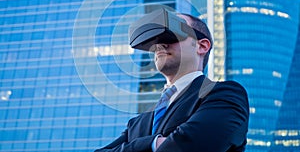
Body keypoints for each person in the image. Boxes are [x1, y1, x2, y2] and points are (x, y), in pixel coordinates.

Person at [95, 12, 249, 152]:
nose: (160, 44)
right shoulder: (137, 123)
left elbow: (191, 146)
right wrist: (155, 143)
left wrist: (139, 145)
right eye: (155, 39)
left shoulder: (224, 94)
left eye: (173, 32)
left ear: (202, 46)